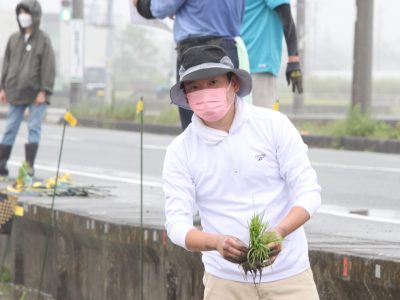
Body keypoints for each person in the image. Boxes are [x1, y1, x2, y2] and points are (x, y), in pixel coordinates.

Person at [163, 45, 321, 299]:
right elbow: (176, 225)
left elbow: (309, 192)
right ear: (186, 95)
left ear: (233, 83)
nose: (204, 93)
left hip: (290, 277)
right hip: (225, 283)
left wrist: (279, 232)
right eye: (194, 87)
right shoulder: (180, 151)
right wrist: (214, 242)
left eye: (213, 82)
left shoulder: (273, 126)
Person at [133, 0, 245, 130]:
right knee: (228, 123)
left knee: (196, 128)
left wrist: (140, 3)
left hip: (196, 53)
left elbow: (159, 8)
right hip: (228, 49)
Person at [0, 0, 55, 177]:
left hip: (36, 93)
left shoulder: (43, 40)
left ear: (35, 15)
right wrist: (3, 88)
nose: (23, 16)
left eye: (27, 13)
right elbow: (6, 64)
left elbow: (48, 66)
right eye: (21, 12)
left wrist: (44, 90)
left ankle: (29, 166)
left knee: (33, 128)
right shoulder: (14, 39)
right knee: (10, 128)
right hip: (15, 91)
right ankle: (1, 164)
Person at [241, 0, 303, 109]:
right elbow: (287, 18)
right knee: (264, 121)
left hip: (240, 62)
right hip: (259, 63)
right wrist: (293, 59)